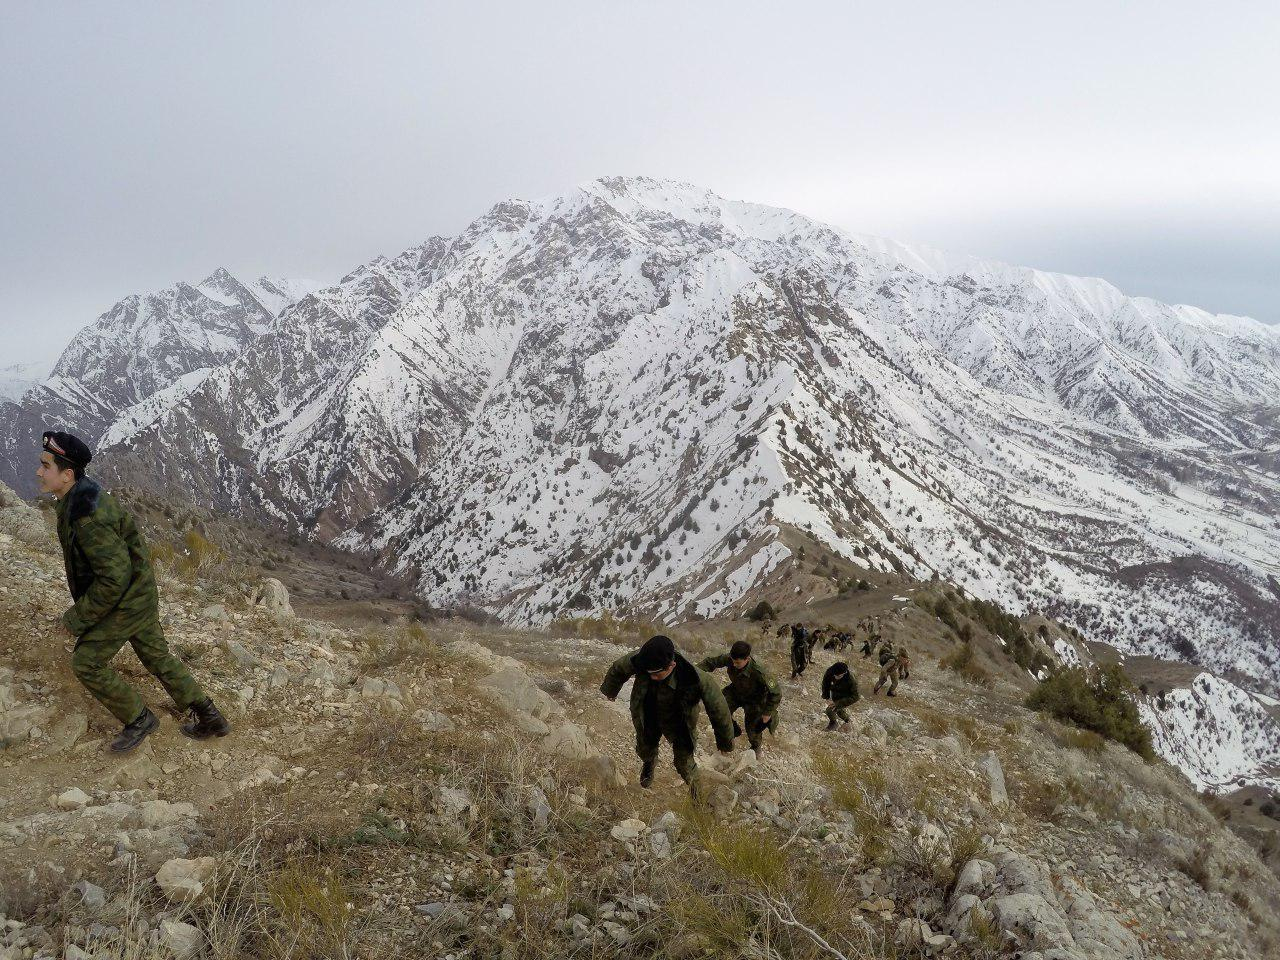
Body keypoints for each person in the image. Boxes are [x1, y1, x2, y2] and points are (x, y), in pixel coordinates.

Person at [36, 431, 229, 753]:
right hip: (138, 592)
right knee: (157, 656)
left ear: (67, 474)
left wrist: (75, 620)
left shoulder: (87, 516)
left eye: (45, 466)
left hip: (126, 600)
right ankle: (211, 718)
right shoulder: (79, 498)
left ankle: (139, 719)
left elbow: (113, 579)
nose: (39, 472)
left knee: (86, 662)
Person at [600, 634, 734, 792]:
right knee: (645, 746)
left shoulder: (695, 678)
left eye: (657, 674)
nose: (652, 677)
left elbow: (719, 710)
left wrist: (725, 741)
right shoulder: (644, 659)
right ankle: (649, 764)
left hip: (679, 721)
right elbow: (619, 668)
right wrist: (611, 691)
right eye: (649, 673)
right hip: (648, 712)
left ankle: (697, 796)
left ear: (671, 665)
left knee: (684, 763)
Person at [699, 640, 782, 753]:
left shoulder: (759, 671)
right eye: (733, 661)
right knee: (718, 708)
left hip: (755, 701)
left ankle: (755, 749)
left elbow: (776, 693)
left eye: (737, 663)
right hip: (736, 692)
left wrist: (767, 713)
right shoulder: (731, 658)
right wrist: (694, 671)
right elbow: (710, 662)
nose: (733, 664)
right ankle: (730, 735)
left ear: (747, 659)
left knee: (753, 730)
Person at [821, 660, 859, 730]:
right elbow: (825, 684)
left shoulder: (851, 680)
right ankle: (848, 720)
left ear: (844, 673)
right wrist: (827, 697)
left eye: (838, 676)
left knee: (830, 710)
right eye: (834, 675)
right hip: (835, 691)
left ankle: (833, 723)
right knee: (837, 708)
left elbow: (856, 697)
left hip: (846, 694)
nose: (835, 677)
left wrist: (838, 703)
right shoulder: (831, 671)